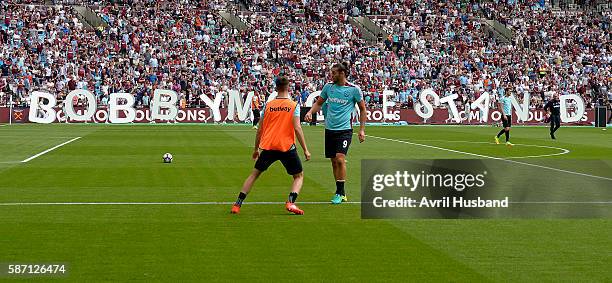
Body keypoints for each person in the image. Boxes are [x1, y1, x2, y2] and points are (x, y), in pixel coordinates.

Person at [231, 77, 311, 215]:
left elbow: (260, 129)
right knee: (298, 176)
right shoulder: (293, 105)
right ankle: (291, 202)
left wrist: (256, 149)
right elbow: (297, 128)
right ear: (288, 87)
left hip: (269, 146)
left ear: (276, 88)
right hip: (286, 146)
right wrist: (305, 150)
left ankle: (237, 204)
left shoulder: (268, 105)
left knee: (254, 174)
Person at [304, 62, 366, 204]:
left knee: (339, 159)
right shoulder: (328, 87)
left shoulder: (354, 90)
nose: (331, 75)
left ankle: (340, 192)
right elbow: (319, 103)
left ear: (342, 73)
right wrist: (310, 112)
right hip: (329, 129)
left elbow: (362, 109)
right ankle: (339, 190)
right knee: (333, 162)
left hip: (344, 130)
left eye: (334, 73)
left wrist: (361, 129)